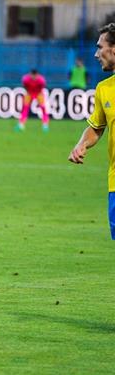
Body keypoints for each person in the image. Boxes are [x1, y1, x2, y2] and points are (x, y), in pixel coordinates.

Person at [68, 22, 115, 240]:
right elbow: (97, 127)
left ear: (113, 49)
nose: (96, 54)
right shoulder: (103, 89)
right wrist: (82, 144)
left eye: (100, 47)